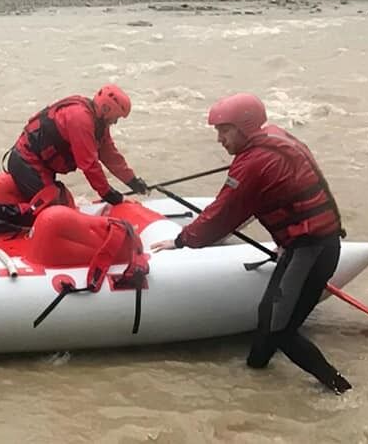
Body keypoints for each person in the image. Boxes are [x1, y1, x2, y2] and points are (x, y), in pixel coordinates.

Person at [151, 93, 352, 395]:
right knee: (269, 318)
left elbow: (221, 215)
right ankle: (255, 376)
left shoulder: (253, 163)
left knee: (279, 329)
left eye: (224, 130)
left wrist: (181, 240)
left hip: (310, 251)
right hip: (312, 245)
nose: (219, 139)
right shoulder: (276, 137)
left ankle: (342, 390)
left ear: (244, 127)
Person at [0, 84, 148, 224]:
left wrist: (133, 182)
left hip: (38, 165)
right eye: (116, 118)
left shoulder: (98, 123)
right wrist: (113, 197)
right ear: (107, 109)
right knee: (52, 208)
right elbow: (89, 165)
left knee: (61, 202)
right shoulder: (80, 119)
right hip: (26, 163)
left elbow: (111, 155)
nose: (115, 122)